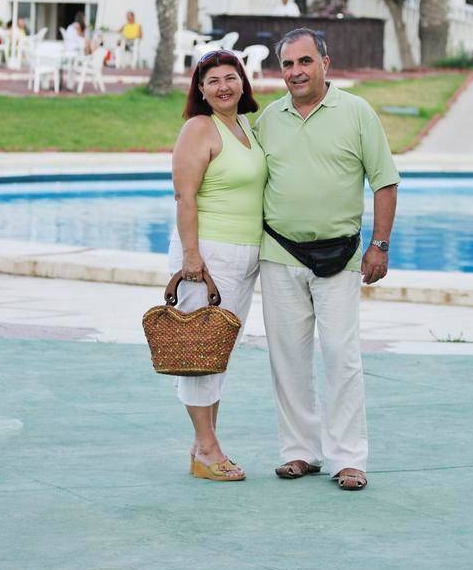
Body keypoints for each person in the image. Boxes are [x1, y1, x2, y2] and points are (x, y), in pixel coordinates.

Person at [253, 27, 398, 492]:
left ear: (325, 64)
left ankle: (348, 459)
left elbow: (385, 181)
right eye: (288, 65)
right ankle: (299, 452)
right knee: (287, 359)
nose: (295, 72)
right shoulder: (268, 119)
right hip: (280, 252)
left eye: (304, 62)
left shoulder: (356, 112)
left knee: (341, 356)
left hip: (343, 254)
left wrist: (381, 244)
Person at [168, 49, 266, 482]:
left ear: (242, 82)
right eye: (213, 81)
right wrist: (192, 258)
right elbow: (184, 197)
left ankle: (202, 444)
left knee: (217, 353)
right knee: (198, 353)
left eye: (231, 77)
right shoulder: (198, 128)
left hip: (244, 256)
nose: (223, 86)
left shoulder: (245, 126)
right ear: (201, 91)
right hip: (207, 256)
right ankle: (208, 449)